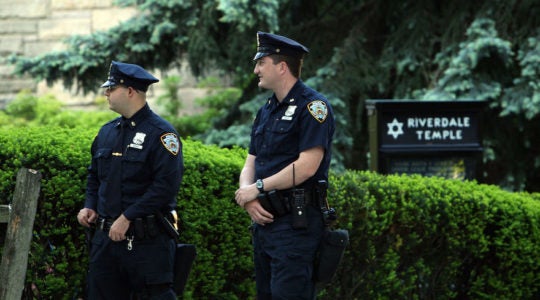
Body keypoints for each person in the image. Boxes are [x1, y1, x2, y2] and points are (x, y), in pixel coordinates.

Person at [235, 32, 335, 300]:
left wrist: (256, 188)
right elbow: (251, 162)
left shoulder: (313, 107)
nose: (256, 69)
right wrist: (247, 197)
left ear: (281, 67)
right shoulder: (266, 110)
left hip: (295, 225)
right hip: (264, 223)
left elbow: (306, 167)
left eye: (261, 63)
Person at [77, 61, 183, 299]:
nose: (106, 92)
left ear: (130, 91)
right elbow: (94, 176)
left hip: (147, 243)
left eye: (111, 88)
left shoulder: (162, 134)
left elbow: (165, 187)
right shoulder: (106, 132)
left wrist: (128, 217)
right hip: (105, 244)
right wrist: (89, 205)